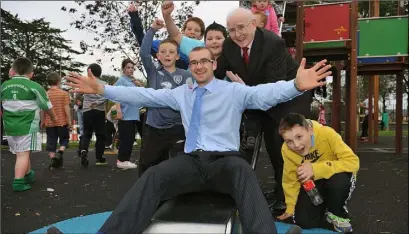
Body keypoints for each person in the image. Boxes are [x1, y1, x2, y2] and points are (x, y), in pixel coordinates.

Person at [61, 46, 331, 234]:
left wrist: (295, 85)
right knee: (153, 175)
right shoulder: (182, 93)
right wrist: (103, 88)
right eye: (194, 62)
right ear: (189, 67)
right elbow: (145, 96)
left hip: (226, 161)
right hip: (191, 162)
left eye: (204, 61)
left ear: (214, 65)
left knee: (244, 172)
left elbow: (263, 94)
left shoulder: (232, 91)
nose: (199, 66)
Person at [215, 7, 314, 213]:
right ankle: (269, 190)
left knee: (280, 147)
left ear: (254, 24)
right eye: (231, 30)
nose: (237, 34)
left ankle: (286, 197)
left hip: (288, 97)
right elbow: (218, 74)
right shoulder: (229, 46)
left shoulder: (273, 43)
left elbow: (274, 87)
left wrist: (243, 89)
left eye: (241, 28)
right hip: (256, 96)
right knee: (250, 146)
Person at [277, 113, 359, 233]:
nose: (296, 145)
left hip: (335, 178)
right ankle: (323, 208)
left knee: (338, 181)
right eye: (289, 141)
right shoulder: (286, 150)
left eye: (299, 137)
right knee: (304, 222)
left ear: (309, 130)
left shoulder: (327, 134)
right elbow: (290, 179)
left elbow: (353, 162)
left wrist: (315, 169)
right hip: (312, 184)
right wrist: (290, 207)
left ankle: (337, 213)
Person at [138, 19, 192, 176]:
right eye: (163, 52)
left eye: (171, 52)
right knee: (148, 165)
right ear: (157, 56)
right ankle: (144, 193)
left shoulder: (187, 75)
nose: (167, 54)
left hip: (177, 128)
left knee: (179, 166)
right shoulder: (153, 72)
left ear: (177, 56)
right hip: (154, 128)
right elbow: (143, 52)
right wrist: (152, 29)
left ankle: (177, 195)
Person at [1, 57, 56, 192]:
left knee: (22, 152)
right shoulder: (35, 86)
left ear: (13, 70)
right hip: (27, 125)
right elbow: (46, 106)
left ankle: (28, 174)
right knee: (23, 154)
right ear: (31, 73)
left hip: (9, 126)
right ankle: (18, 181)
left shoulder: (4, 85)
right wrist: (53, 117)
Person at [128, 2, 205, 70]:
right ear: (183, 31)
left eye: (196, 30)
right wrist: (135, 17)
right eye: (189, 29)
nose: (192, 32)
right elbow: (144, 42)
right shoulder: (167, 47)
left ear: (201, 36)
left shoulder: (205, 53)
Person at [114, 59, 144, 169]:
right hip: (125, 114)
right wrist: (118, 111)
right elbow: (115, 96)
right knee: (126, 139)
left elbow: (144, 93)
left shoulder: (133, 81)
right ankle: (122, 160)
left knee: (130, 139)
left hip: (134, 114)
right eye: (128, 67)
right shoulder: (121, 81)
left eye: (132, 68)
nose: (131, 70)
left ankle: (124, 160)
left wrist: (139, 84)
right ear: (123, 69)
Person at [78, 63, 108, 167]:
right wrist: (98, 103)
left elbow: (78, 93)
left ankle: (83, 150)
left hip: (87, 111)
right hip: (99, 111)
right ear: (100, 73)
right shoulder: (104, 83)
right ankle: (99, 157)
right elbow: (106, 96)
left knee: (87, 133)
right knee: (100, 134)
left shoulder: (85, 83)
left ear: (89, 72)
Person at [43, 72, 72, 169]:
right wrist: (69, 120)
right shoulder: (64, 94)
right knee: (64, 139)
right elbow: (66, 108)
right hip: (62, 122)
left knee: (51, 141)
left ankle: (52, 159)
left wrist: (43, 121)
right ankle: (60, 152)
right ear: (59, 82)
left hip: (49, 123)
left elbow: (43, 109)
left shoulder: (45, 94)